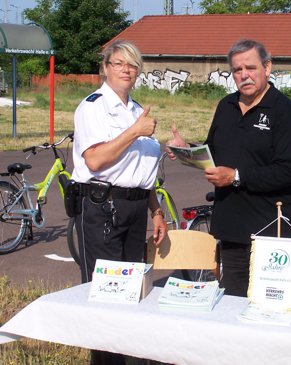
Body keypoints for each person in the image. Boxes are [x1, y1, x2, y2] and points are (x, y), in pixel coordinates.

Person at [167, 39, 291, 297]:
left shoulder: (282, 109)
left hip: (271, 230)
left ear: (267, 67)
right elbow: (213, 152)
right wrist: (187, 148)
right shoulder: (226, 106)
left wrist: (236, 177)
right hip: (231, 225)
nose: (244, 75)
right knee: (232, 300)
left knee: (271, 303)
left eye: (250, 68)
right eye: (237, 70)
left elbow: (288, 172)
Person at [72, 40, 167, 364]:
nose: (126, 70)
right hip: (103, 209)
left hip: (136, 207)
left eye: (132, 64)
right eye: (118, 63)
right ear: (105, 68)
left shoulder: (136, 109)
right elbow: (96, 160)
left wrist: (156, 209)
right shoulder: (93, 107)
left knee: (129, 296)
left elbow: (140, 169)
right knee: (105, 297)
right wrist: (135, 131)